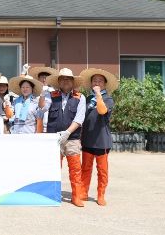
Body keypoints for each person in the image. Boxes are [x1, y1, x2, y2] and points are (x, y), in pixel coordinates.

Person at [45, 68, 86, 207]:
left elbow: (79, 118)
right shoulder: (51, 95)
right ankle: (53, 195)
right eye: (62, 78)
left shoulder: (80, 97)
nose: (65, 81)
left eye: (68, 78)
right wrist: (42, 95)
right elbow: (42, 110)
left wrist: (67, 132)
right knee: (53, 169)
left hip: (72, 138)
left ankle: (76, 196)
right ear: (58, 81)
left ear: (73, 82)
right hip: (54, 139)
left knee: (75, 169)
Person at [79, 68, 119, 206]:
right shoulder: (87, 99)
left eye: (100, 81)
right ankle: (83, 192)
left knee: (102, 171)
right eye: (94, 81)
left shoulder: (108, 99)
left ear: (105, 84)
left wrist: (98, 95)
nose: (97, 83)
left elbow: (102, 111)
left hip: (102, 140)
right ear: (91, 83)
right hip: (87, 139)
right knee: (85, 168)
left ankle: (101, 195)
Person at [28, 66, 58, 133]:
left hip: (49, 126)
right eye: (42, 77)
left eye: (46, 78)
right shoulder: (33, 91)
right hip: (32, 127)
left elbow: (44, 108)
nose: (44, 80)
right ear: (38, 78)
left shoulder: (54, 92)